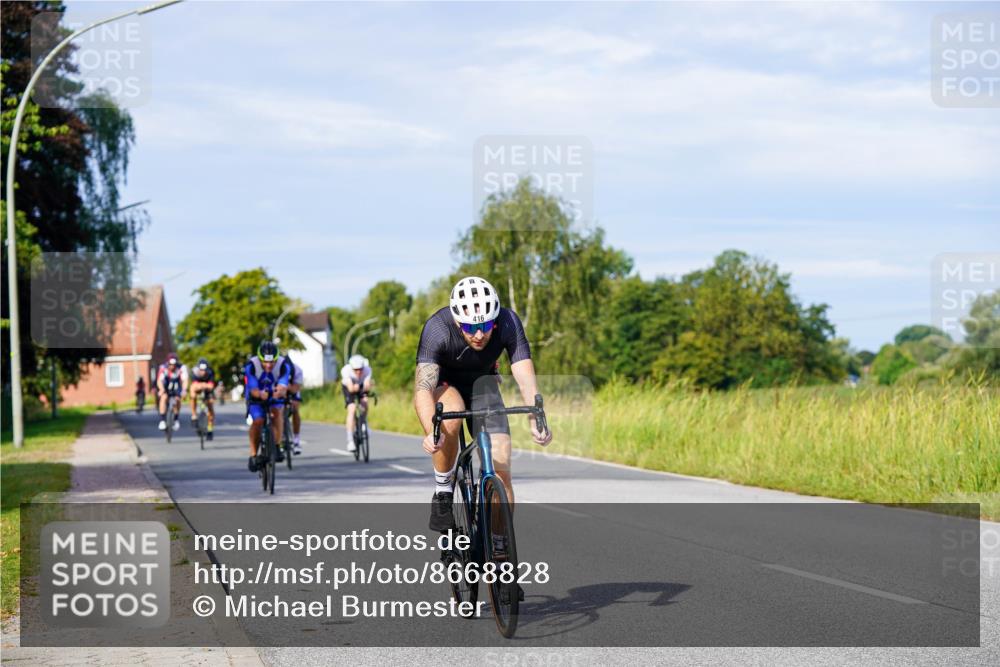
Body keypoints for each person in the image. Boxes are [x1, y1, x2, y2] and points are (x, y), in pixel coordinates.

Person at [414, 276, 552, 533]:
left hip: (484, 385)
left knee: (502, 472)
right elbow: (423, 389)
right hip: (446, 385)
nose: (479, 335)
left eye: (486, 325)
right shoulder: (437, 328)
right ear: (457, 321)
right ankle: (443, 489)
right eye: (469, 328)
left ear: (495, 318)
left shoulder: (509, 321)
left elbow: (525, 376)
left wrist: (536, 417)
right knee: (449, 417)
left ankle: (499, 548)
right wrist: (430, 431)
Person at [244, 341, 289, 473]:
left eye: (272, 362)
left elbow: (283, 385)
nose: (269, 365)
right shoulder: (252, 365)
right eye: (265, 362)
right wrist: (259, 394)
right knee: (258, 421)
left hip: (273, 395)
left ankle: (276, 445)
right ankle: (253, 455)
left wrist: (279, 391)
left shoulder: (282, 365)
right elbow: (253, 389)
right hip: (256, 395)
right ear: (260, 359)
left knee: (276, 413)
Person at [340, 354, 373, 452]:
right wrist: (357, 387)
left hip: (360, 386)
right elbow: (350, 388)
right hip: (348, 387)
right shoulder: (346, 371)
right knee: (352, 408)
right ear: (351, 368)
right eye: (356, 370)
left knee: (365, 402)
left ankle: (363, 423)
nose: (358, 372)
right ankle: (350, 440)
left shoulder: (367, 370)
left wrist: (366, 388)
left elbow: (367, 385)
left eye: (360, 369)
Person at [156, 353, 188, 431]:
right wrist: (161, 389)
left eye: (174, 364)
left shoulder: (181, 368)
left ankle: (176, 419)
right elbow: (159, 380)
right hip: (166, 386)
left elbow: (185, 380)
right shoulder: (163, 368)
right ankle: (162, 420)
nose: (172, 366)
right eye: (170, 364)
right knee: (163, 398)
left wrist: (184, 390)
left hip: (177, 386)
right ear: (168, 363)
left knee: (178, 399)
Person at [188, 358, 216, 441]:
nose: (203, 372)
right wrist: (204, 385)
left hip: (207, 390)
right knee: (192, 395)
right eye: (201, 370)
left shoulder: (211, 372)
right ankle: (194, 415)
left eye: (205, 370)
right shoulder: (194, 372)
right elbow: (194, 386)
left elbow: (211, 386)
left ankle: (210, 429)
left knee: (210, 406)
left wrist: (204, 385)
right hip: (198, 389)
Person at [286, 358, 304, 455]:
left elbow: (295, 389)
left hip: (292, 389)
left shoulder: (297, 370)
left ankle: (296, 440)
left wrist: (288, 387)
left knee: (295, 409)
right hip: (279, 389)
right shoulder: (275, 369)